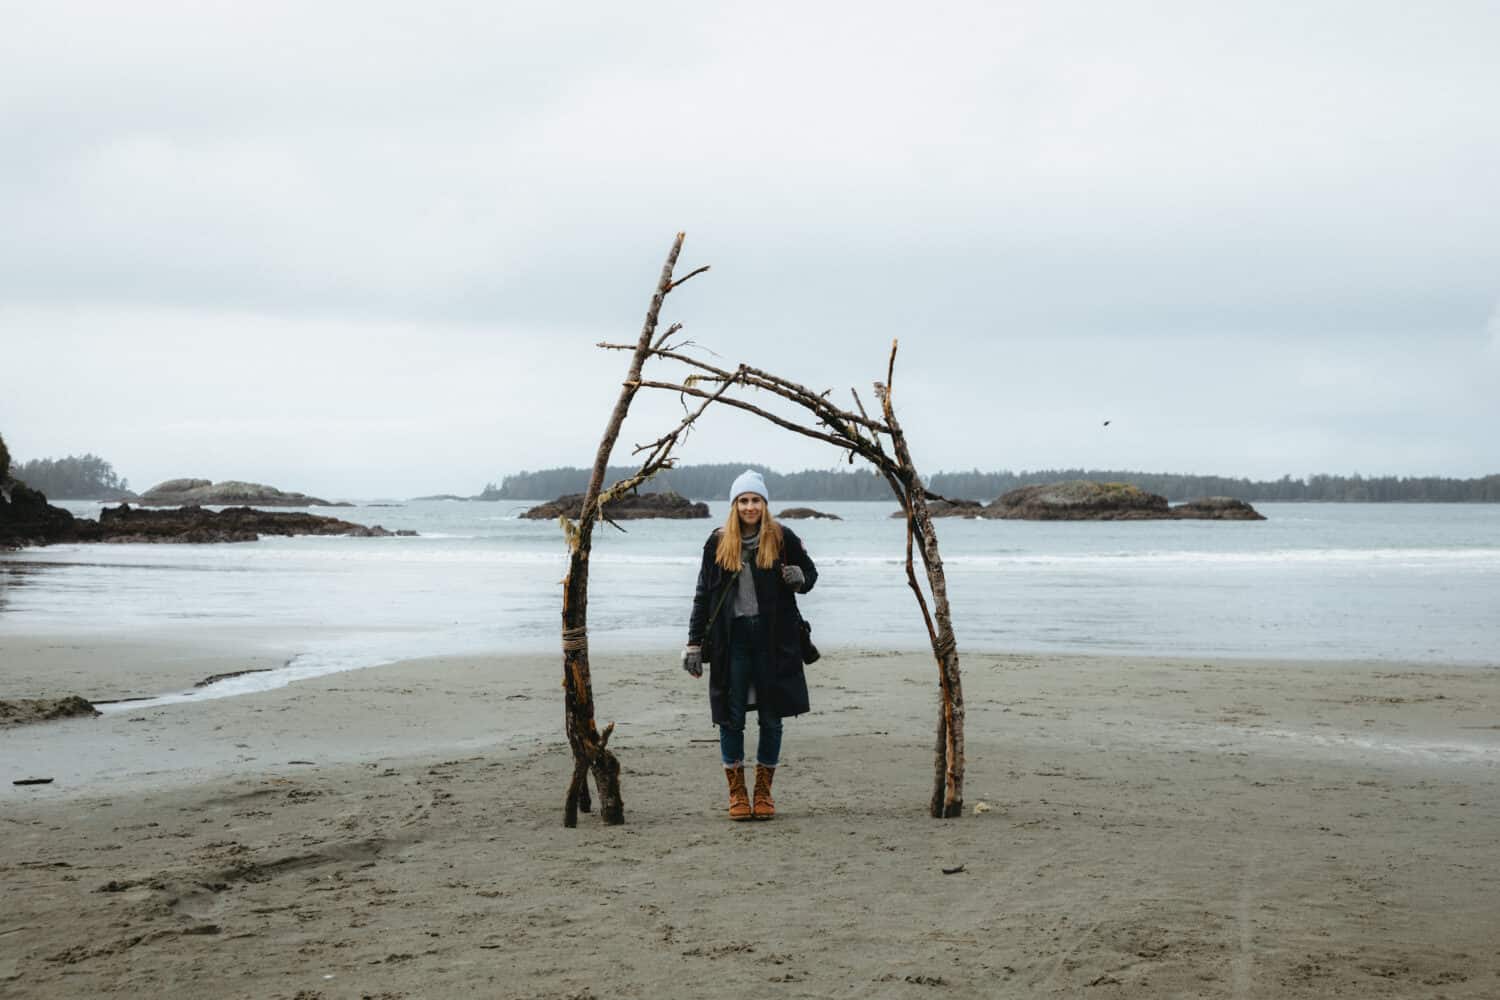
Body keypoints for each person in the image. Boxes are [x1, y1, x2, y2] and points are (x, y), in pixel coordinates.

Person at [683, 470, 818, 821]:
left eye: (755, 500)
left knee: (772, 719)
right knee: (731, 719)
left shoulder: (782, 537)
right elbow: (702, 596)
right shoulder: (716, 543)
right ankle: (737, 793)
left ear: (764, 504)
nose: (749, 506)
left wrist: (800, 579)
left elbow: (811, 575)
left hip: (774, 639)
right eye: (743, 500)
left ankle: (763, 791)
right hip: (732, 640)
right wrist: (694, 643)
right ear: (734, 505)